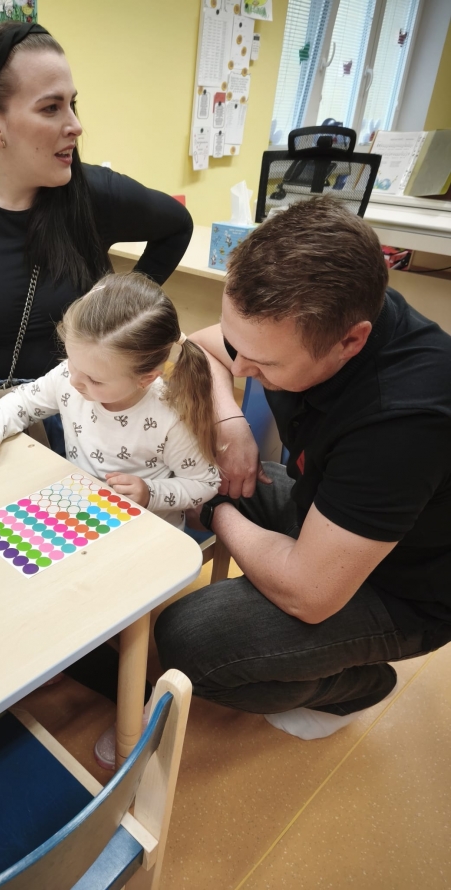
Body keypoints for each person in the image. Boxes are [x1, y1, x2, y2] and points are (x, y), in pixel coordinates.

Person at [155, 197, 451, 741]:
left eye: (263, 365)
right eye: (236, 345)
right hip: (328, 508)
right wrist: (231, 422)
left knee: (188, 639)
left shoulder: (402, 420)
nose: (240, 366)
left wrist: (215, 511)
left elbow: (309, 595)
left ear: (350, 341)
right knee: (220, 479)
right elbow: (199, 348)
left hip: (405, 588)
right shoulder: (319, 314)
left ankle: (357, 686)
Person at [0, 21, 193, 435]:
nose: (75, 125)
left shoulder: (95, 193)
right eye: (50, 108)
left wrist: (123, 308)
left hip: (81, 406)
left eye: (72, 104)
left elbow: (177, 225)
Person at [0, 272, 220, 530]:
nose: (74, 381)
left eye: (95, 380)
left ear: (146, 379)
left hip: (145, 530)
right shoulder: (68, 376)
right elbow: (24, 402)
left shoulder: (170, 418)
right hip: (82, 516)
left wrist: (150, 493)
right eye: (71, 361)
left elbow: (204, 483)